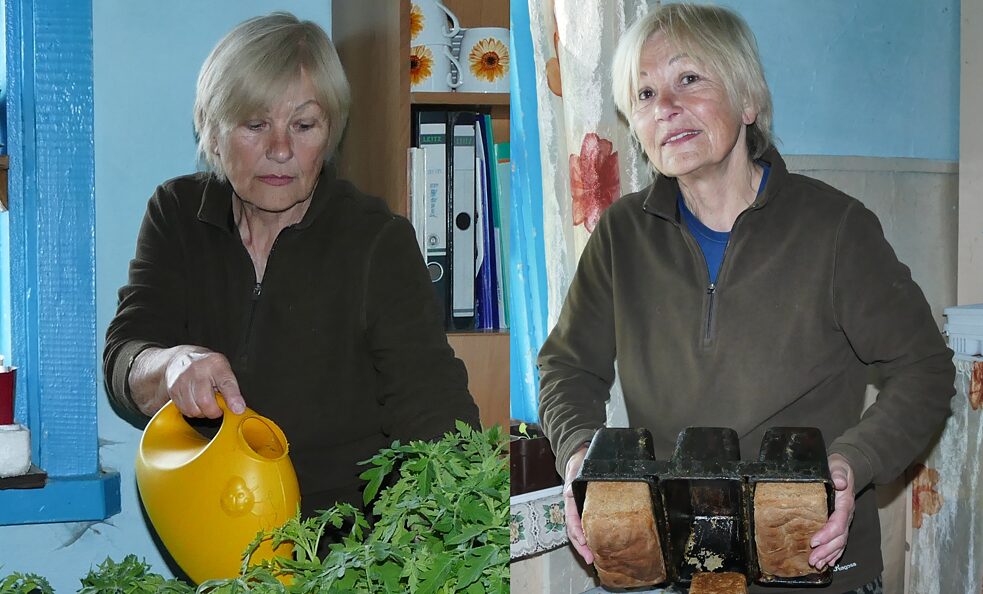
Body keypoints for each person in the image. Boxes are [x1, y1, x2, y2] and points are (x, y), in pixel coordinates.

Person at [537, 4, 954, 594]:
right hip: (671, 567)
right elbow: (567, 367)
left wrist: (850, 462)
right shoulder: (621, 235)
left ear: (747, 100)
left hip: (811, 564)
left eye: (689, 79)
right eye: (646, 93)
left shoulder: (835, 229)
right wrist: (580, 458)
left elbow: (925, 369)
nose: (666, 107)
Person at [104, 12, 480, 519]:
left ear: (330, 135)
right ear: (212, 132)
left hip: (348, 553)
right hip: (211, 531)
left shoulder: (375, 241)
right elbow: (125, 359)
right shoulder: (176, 215)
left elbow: (434, 411)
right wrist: (171, 363)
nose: (281, 150)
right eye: (255, 125)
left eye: (304, 125)